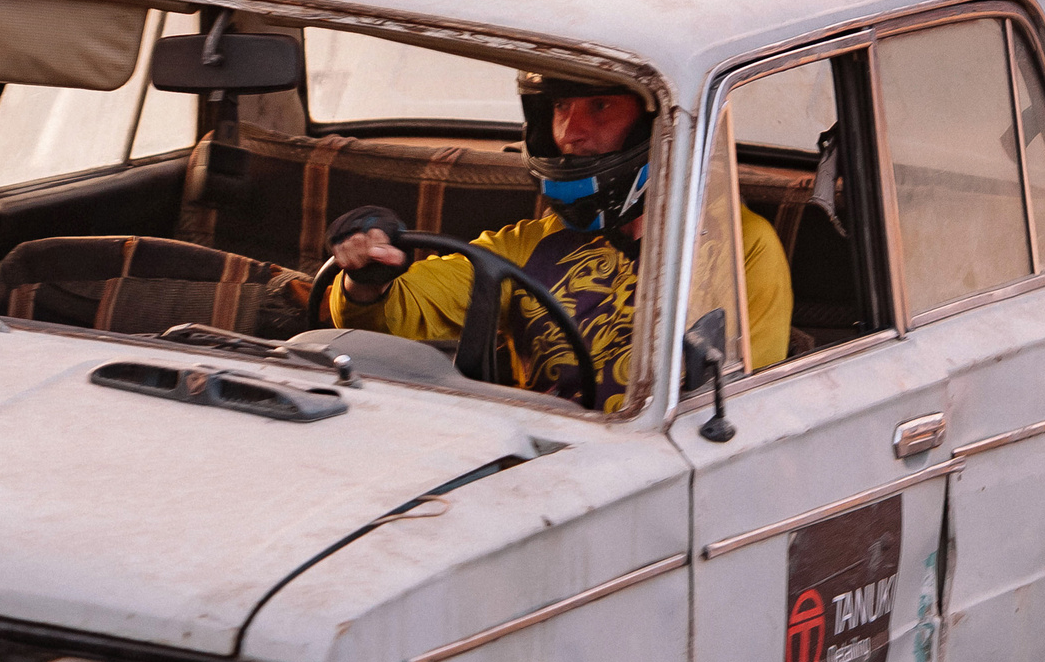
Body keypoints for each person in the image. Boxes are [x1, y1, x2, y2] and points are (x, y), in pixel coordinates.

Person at [323, 73, 792, 414]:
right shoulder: (529, 243)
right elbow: (399, 313)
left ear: (656, 125)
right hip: (542, 454)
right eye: (561, 109)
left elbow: (744, 404)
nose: (569, 134)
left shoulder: (742, 243)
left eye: (600, 107)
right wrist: (369, 278)